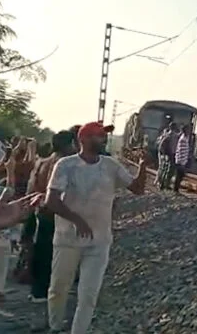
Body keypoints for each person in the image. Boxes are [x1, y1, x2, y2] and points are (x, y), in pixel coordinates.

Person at [44, 121, 148, 334]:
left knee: (89, 294)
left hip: (99, 240)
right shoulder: (66, 165)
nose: (104, 139)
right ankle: (55, 327)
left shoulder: (111, 165)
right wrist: (77, 220)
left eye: (104, 135)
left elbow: (137, 189)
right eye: (98, 135)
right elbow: (51, 201)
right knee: (58, 288)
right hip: (68, 238)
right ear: (83, 139)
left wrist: (143, 165)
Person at [25, 130, 76, 303]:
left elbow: (32, 187)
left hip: (40, 210)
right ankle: (44, 291)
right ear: (68, 144)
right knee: (51, 254)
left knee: (41, 250)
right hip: (54, 212)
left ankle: (37, 290)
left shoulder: (43, 161)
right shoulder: (61, 164)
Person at [156, 123, 178, 190]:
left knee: (166, 169)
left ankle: (163, 184)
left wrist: (163, 153)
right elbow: (162, 145)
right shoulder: (170, 135)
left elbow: (160, 146)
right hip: (170, 154)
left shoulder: (168, 135)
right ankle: (164, 184)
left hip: (169, 154)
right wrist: (165, 153)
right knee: (168, 170)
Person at [173, 124, 192, 193]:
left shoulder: (185, 138)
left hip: (182, 160)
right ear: (185, 131)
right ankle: (175, 189)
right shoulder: (183, 139)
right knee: (179, 175)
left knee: (180, 175)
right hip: (180, 160)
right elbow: (181, 151)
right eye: (188, 130)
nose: (189, 131)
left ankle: (176, 189)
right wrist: (181, 162)